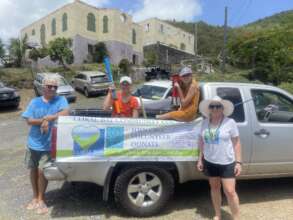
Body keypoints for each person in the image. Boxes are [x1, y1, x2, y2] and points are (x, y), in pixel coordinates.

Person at [22, 76, 69, 214]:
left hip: (49, 145)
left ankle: (41, 199)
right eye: (50, 86)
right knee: (33, 170)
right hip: (33, 143)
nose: (53, 89)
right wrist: (43, 120)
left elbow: (66, 113)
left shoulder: (60, 100)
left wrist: (50, 118)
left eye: (55, 87)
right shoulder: (35, 102)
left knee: (42, 171)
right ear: (43, 87)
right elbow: (29, 120)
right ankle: (35, 197)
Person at [197, 96, 242, 220]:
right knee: (215, 188)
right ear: (209, 109)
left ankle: (236, 217)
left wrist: (238, 162)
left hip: (227, 162)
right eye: (212, 106)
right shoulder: (204, 122)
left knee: (230, 192)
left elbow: (237, 143)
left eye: (218, 106)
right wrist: (200, 159)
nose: (215, 108)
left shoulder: (230, 122)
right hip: (210, 161)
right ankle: (217, 214)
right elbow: (201, 141)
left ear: (223, 108)